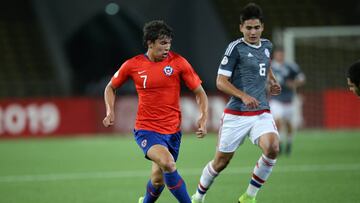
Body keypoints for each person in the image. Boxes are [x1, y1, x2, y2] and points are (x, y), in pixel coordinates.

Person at [103, 20, 208, 203]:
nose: (167, 47)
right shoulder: (133, 65)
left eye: (168, 43)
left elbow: (200, 92)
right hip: (147, 129)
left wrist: (203, 116)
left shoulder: (178, 62)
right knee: (168, 163)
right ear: (150, 43)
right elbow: (110, 87)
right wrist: (110, 111)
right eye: (162, 43)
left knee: (158, 180)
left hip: (173, 131)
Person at [191, 3, 281, 203]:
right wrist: (243, 96)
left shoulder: (267, 46)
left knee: (273, 147)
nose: (253, 32)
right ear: (241, 28)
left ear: (262, 27)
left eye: (256, 27)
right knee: (221, 162)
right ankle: (198, 197)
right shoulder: (235, 48)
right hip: (236, 115)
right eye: (248, 28)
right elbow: (220, 82)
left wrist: (272, 81)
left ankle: (249, 197)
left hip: (261, 112)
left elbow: (265, 65)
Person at [269, 47, 306, 156]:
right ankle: (279, 143)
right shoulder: (270, 67)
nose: (280, 56)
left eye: (281, 54)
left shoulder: (291, 66)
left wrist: (294, 83)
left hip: (289, 100)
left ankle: (289, 142)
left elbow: (302, 78)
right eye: (278, 54)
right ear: (275, 55)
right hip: (276, 100)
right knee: (278, 121)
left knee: (289, 124)